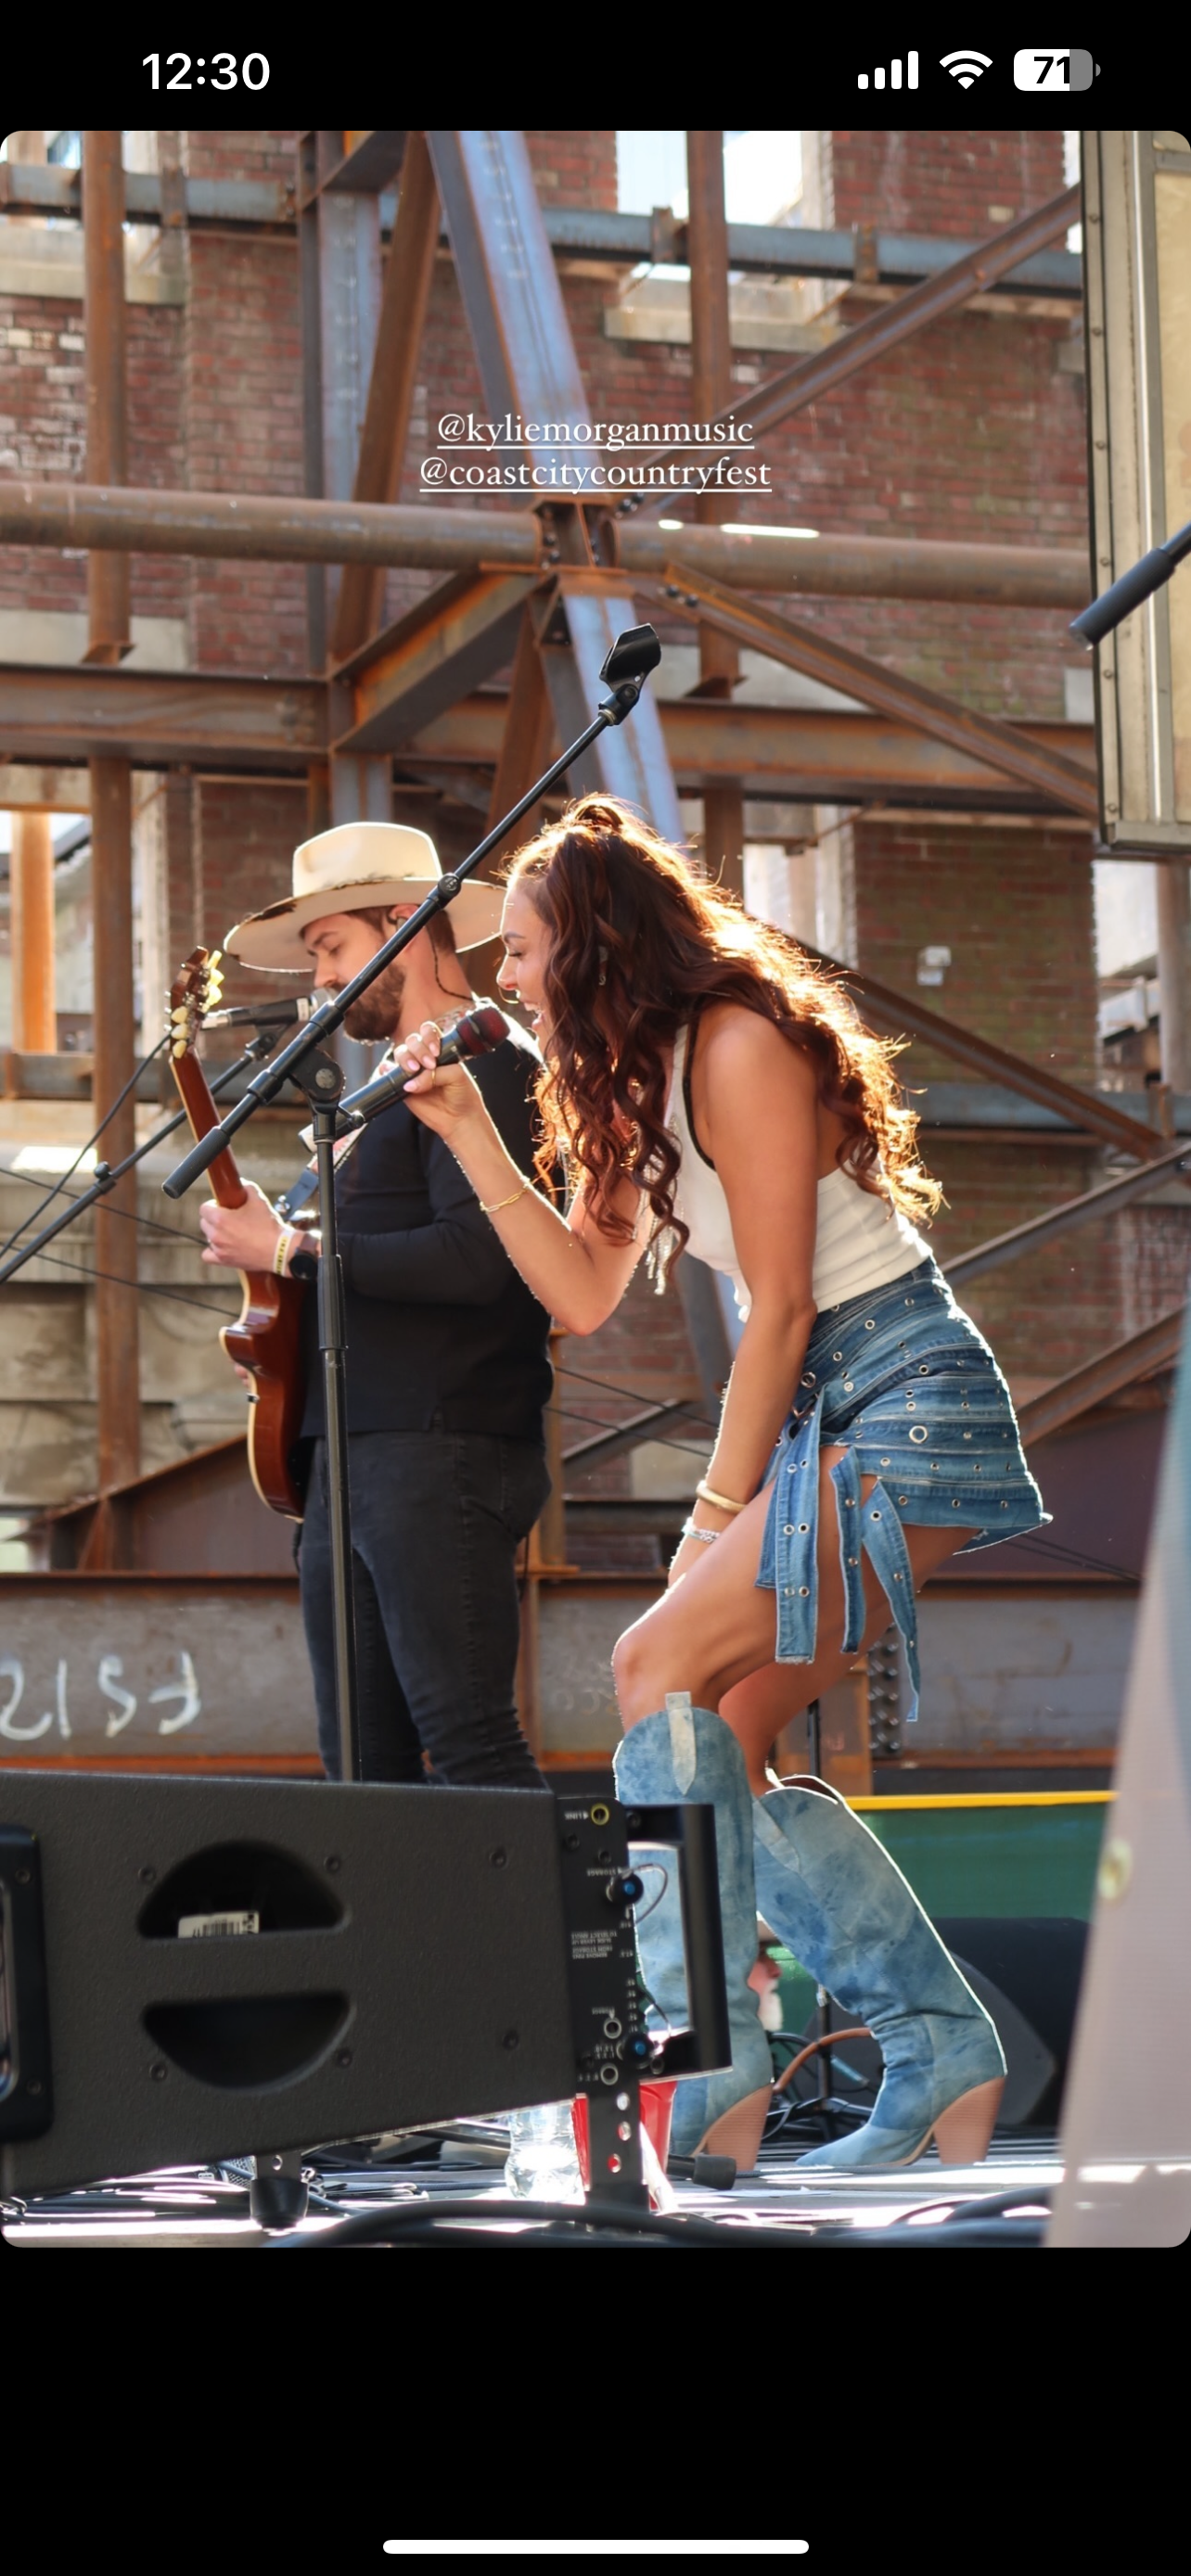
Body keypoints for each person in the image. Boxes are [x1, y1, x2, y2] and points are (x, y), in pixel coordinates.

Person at [388, 794, 1050, 2174]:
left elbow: (792, 1304)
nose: (500, 978)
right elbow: (579, 1292)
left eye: (516, 949)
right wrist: (467, 1137)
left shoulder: (738, 1043)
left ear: (591, 941)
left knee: (650, 1660)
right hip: (837, 1419)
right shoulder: (639, 1082)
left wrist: (706, 1518)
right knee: (723, 1739)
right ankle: (938, 2048)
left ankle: (703, 2067)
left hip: (904, 1397)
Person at [198, 821, 553, 1792]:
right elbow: (369, 1277)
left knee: (469, 1738)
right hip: (351, 1458)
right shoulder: (378, 1104)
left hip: (438, 1446)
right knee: (361, 1767)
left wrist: (292, 1252)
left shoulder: (485, 1066)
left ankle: (534, 1948)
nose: (320, 980)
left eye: (333, 949)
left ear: (406, 924)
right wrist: (285, 1321)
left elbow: (481, 1262)